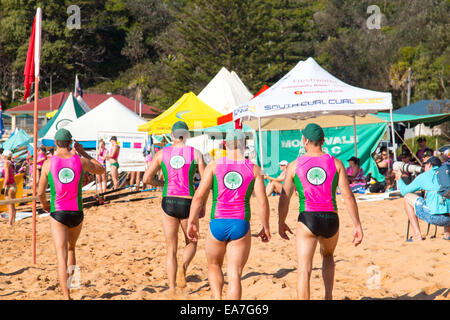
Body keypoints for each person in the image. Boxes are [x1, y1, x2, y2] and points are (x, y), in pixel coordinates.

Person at [278, 123, 363, 300]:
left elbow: (284, 197)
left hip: (308, 217)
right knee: (329, 256)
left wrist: (281, 222)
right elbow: (348, 197)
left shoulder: (295, 165)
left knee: (304, 268)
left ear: (305, 140)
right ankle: (328, 297)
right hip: (331, 218)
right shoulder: (336, 163)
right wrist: (357, 225)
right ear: (323, 141)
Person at [187, 129, 270, 300]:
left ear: (225, 144)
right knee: (235, 275)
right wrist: (266, 226)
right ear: (245, 145)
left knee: (213, 265)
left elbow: (198, 197)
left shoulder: (214, 166)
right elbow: (262, 201)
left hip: (217, 221)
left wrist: (192, 221)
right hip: (240, 223)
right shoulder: (254, 169)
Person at [38, 129, 105, 300]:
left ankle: (66, 296)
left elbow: (39, 192)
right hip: (76, 212)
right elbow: (101, 170)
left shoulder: (48, 163)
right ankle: (71, 284)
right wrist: (83, 151)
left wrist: (45, 204)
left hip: (58, 211)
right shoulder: (80, 161)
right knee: (71, 249)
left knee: (61, 255)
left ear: (55, 143)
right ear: (70, 143)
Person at [142, 121, 205, 293]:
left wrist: (162, 183)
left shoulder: (162, 153)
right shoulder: (196, 153)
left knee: (171, 248)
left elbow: (146, 178)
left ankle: (171, 288)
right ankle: (183, 267)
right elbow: (206, 182)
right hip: (188, 201)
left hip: (168, 200)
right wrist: (203, 204)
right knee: (192, 241)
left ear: (172, 134)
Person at [394, 156, 450, 242]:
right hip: (448, 218)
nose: (424, 168)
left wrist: (399, 179)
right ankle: (447, 234)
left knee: (407, 197)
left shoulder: (424, 176)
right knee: (445, 197)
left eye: (425, 165)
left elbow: (404, 191)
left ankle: (417, 235)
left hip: (435, 217)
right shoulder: (446, 174)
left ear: (429, 165)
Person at [2, 150, 16, 227]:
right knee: (13, 205)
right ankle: (13, 221)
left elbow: (6, 176)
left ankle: (10, 223)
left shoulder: (6, 163)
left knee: (9, 205)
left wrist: (3, 187)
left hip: (9, 185)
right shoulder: (11, 162)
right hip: (14, 185)